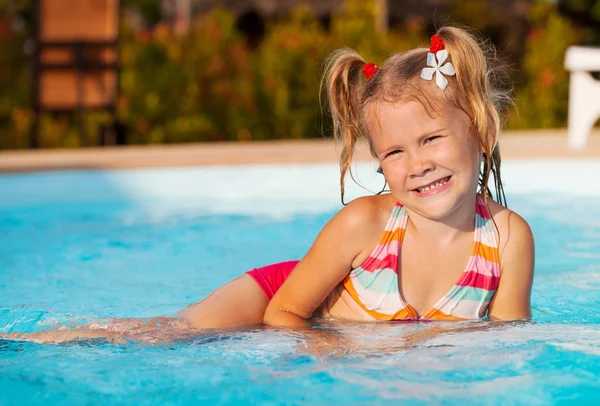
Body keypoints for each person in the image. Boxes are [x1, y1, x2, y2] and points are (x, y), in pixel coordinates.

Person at [3, 26, 534, 344]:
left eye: (432, 139)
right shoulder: (366, 223)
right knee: (163, 336)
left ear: (481, 129)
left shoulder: (508, 238)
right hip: (284, 292)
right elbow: (285, 312)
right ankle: (28, 339)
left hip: (315, 298)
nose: (417, 163)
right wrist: (334, 355)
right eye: (395, 151)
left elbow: (505, 341)